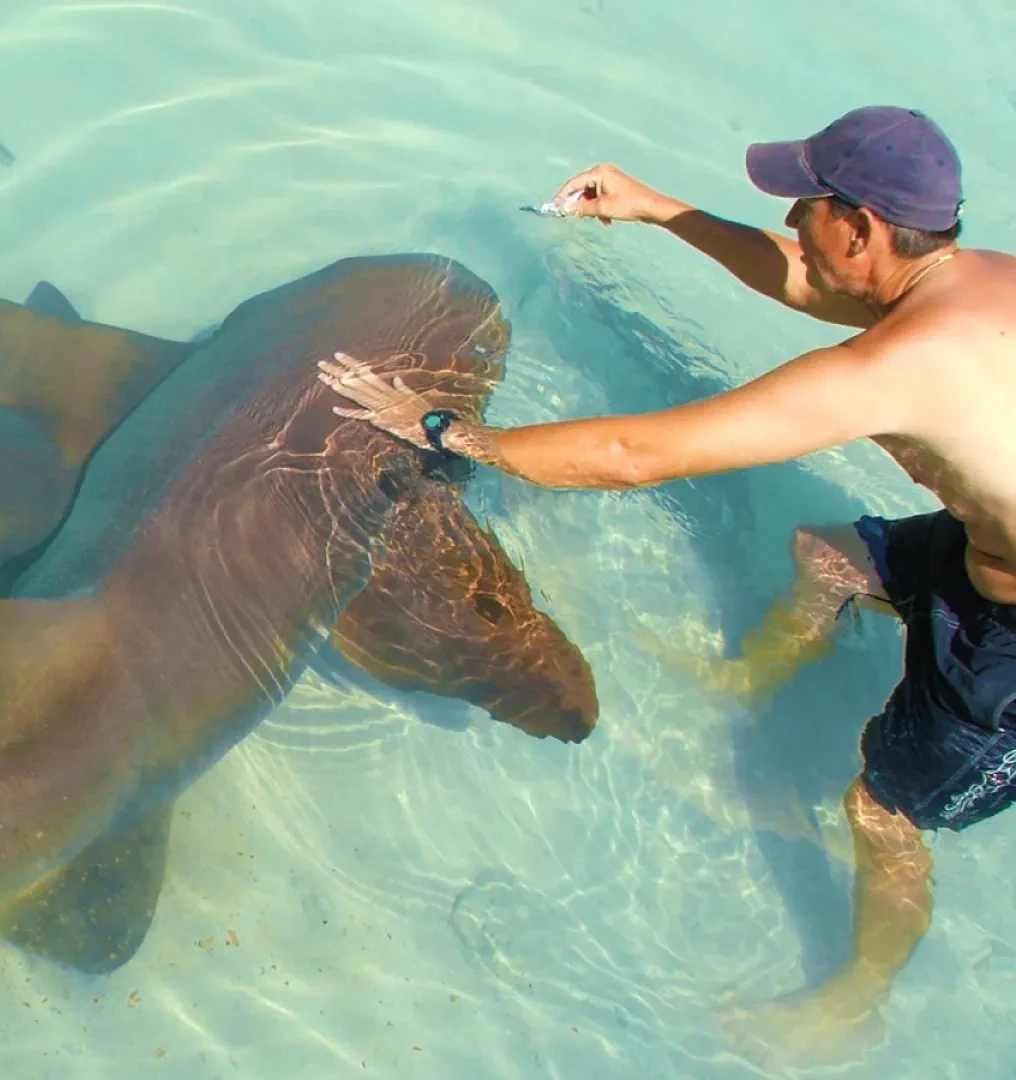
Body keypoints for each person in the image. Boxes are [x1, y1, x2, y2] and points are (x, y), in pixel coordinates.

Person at [318, 104, 1016, 1066]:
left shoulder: (899, 363)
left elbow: (631, 453)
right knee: (829, 553)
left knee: (879, 811)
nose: (795, 222)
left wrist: (446, 431)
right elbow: (811, 285)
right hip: (986, 550)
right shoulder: (969, 281)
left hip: (1009, 640)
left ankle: (857, 1003)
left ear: (859, 228)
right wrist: (656, 209)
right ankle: (745, 681)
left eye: (807, 205)